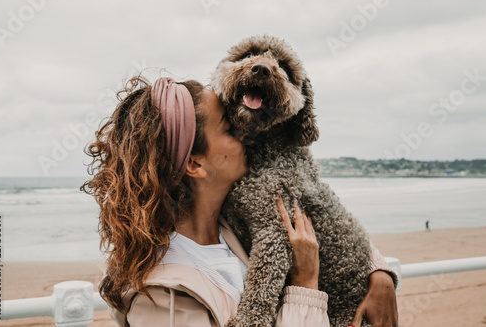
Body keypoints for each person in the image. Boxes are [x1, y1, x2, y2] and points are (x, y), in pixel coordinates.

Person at [82, 76, 398, 327]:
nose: (247, 130)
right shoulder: (163, 300)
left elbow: (325, 219)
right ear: (195, 164)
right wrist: (304, 284)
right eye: (230, 127)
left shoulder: (233, 219)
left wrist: (378, 274)